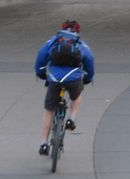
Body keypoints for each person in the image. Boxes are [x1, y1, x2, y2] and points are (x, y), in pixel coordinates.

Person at [34, 19, 95, 156]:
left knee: (49, 110)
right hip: (73, 78)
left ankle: (44, 144)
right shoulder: (80, 44)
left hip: (55, 79)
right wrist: (88, 78)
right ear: (77, 31)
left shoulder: (54, 41)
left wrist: (41, 73)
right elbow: (90, 60)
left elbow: (41, 55)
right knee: (77, 96)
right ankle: (71, 119)